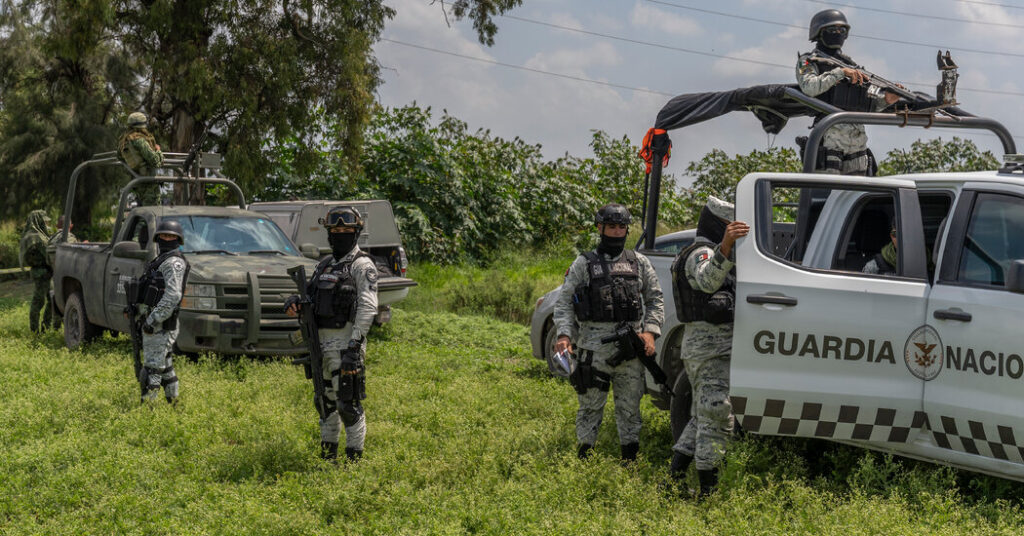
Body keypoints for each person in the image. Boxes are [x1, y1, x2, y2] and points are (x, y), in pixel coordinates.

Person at [553, 204, 664, 462]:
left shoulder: (639, 262)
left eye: (621, 227)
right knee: (590, 408)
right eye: (611, 226)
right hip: (594, 350)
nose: (616, 232)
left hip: (631, 350)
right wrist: (564, 336)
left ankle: (630, 463)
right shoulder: (584, 263)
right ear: (600, 228)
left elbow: (656, 298)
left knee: (630, 410)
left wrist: (650, 333)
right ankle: (584, 462)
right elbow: (564, 302)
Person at [668, 196, 748, 498]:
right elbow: (706, 281)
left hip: (711, 348)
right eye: (731, 227)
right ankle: (707, 495)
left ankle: (674, 480)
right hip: (709, 349)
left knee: (703, 416)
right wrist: (725, 246)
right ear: (720, 225)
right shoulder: (702, 253)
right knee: (717, 416)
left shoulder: (706, 250)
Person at [286, 207, 378, 462]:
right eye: (335, 231)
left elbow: (368, 308)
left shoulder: (362, 265)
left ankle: (353, 463)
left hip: (346, 346)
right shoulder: (324, 265)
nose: (340, 235)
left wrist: (354, 347)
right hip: (320, 347)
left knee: (347, 405)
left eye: (346, 231)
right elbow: (313, 299)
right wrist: (297, 302)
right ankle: (328, 460)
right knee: (325, 404)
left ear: (356, 232)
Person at [797, 9, 900, 175]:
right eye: (832, 30)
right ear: (819, 33)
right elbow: (809, 87)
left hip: (857, 141)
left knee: (857, 194)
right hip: (829, 135)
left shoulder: (852, 66)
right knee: (828, 194)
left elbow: (866, 106)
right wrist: (840, 73)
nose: (838, 34)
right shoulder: (807, 61)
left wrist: (886, 100)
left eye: (842, 30)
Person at [135, 220, 190, 404]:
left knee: (151, 370)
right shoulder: (161, 259)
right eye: (164, 235)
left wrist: (153, 319)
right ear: (158, 237)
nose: (167, 238)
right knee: (165, 366)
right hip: (156, 321)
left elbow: (173, 295)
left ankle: (147, 409)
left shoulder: (173, 262)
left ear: (178, 239)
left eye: (171, 236)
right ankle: (174, 404)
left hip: (161, 324)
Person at [118, 111, 163, 205]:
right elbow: (155, 161)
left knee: (142, 212)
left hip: (137, 182)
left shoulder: (124, 140)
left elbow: (119, 156)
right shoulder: (140, 140)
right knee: (151, 215)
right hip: (149, 184)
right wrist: (158, 151)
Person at [19, 210, 53, 333]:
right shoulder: (36, 237)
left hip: (45, 272)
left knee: (52, 300)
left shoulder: (33, 234)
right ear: (39, 220)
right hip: (42, 273)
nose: (47, 223)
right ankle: (35, 331)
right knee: (39, 301)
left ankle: (45, 327)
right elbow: (47, 254)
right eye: (45, 220)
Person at [45, 215, 78, 330]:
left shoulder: (51, 239)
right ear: (71, 226)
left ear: (56, 226)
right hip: (69, 277)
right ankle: (71, 328)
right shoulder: (71, 238)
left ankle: (55, 327)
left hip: (55, 276)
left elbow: (47, 260)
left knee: (55, 300)